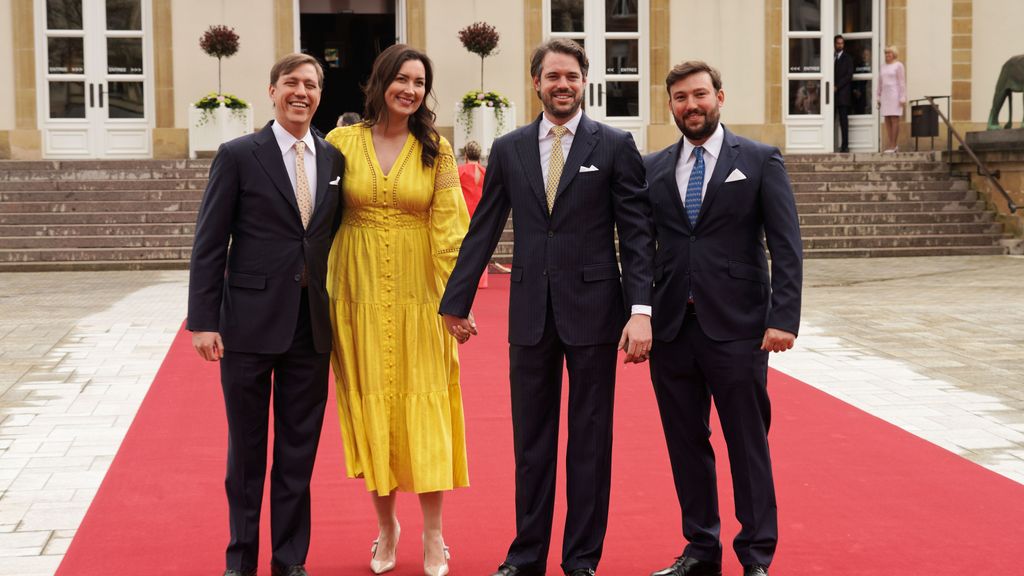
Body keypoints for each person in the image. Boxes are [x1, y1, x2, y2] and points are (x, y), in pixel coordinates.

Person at [439, 38, 655, 576]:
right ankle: (526, 554)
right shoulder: (510, 148)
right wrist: (456, 300)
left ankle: (581, 558)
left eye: (572, 77)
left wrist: (641, 309)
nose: (562, 85)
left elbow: (636, 234)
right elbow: (483, 227)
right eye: (552, 76)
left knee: (589, 442)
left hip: (595, 312)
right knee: (531, 444)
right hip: (531, 314)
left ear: (585, 82)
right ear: (536, 82)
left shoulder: (613, 144)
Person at [643, 61, 802, 576]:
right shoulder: (654, 167)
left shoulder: (757, 160)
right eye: (681, 98)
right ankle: (700, 549)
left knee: (746, 443)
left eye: (700, 95)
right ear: (670, 105)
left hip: (739, 329)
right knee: (685, 444)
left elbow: (786, 245)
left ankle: (756, 554)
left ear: (720, 97)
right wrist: (638, 314)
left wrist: (784, 318)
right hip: (671, 329)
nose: (691, 106)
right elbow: (642, 247)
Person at [187, 53, 343, 576]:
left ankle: (290, 561)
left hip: (311, 328)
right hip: (247, 325)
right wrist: (203, 320)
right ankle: (241, 561)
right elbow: (209, 243)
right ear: (272, 90)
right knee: (248, 455)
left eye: (312, 85)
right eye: (292, 84)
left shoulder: (333, 158)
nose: (302, 93)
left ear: (321, 94)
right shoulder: (238, 155)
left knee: (298, 456)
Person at [323, 43, 470, 576]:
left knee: (425, 405)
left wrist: (456, 300)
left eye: (419, 82)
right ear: (381, 80)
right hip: (355, 294)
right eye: (402, 79)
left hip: (419, 295)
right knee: (373, 407)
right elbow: (315, 218)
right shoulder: (340, 142)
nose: (410, 89)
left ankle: (434, 534)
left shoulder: (438, 150)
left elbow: (452, 227)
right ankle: (386, 529)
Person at [457, 140, 488, 288]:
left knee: (463, 247)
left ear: (466, 155)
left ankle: (464, 277)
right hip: (481, 213)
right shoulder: (486, 172)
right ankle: (481, 280)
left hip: (463, 213)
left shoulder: (460, 170)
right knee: (481, 245)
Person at [877, 45, 907, 153]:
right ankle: (891, 144)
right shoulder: (882, 67)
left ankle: (893, 145)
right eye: (886, 53)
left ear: (894, 54)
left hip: (895, 94)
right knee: (887, 119)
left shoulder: (899, 65)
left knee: (894, 119)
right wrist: (878, 96)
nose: (887, 55)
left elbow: (902, 82)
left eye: (889, 53)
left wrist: (902, 96)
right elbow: (880, 83)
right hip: (885, 95)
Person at [834, 34, 854, 152]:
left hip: (843, 95)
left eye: (842, 43)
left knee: (843, 121)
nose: (840, 45)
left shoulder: (848, 58)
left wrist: (837, 86)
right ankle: (830, 144)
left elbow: (849, 75)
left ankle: (845, 145)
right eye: (838, 43)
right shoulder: (831, 57)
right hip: (831, 95)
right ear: (834, 44)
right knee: (831, 120)